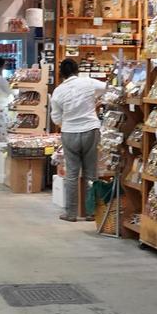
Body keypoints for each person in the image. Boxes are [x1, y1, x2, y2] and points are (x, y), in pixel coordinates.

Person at [49, 57, 106, 223]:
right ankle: (91, 212)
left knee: (72, 174)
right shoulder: (88, 83)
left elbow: (56, 119)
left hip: (70, 133)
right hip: (90, 130)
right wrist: (95, 102)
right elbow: (107, 88)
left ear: (61, 73)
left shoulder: (58, 92)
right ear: (76, 70)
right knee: (91, 173)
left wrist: (69, 119)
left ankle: (71, 213)